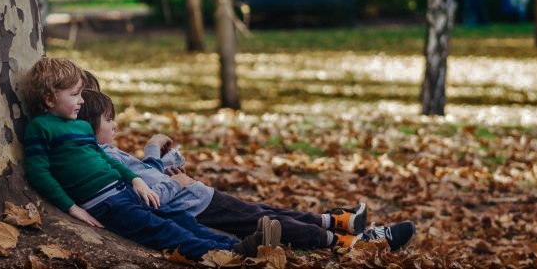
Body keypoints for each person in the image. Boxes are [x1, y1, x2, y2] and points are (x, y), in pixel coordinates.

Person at [76, 88, 417, 252]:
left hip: (198, 196)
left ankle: (337, 221)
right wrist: (161, 161)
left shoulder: (104, 151)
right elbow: (150, 191)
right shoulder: (101, 157)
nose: (116, 126)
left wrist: (165, 164)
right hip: (195, 205)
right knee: (268, 223)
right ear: (89, 125)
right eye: (109, 120)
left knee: (267, 211)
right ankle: (353, 243)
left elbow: (150, 177)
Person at [21, 57, 281, 260]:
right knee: (162, 230)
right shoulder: (41, 128)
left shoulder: (80, 126)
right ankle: (226, 255)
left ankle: (239, 245)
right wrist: (71, 207)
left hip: (125, 191)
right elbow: (39, 173)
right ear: (49, 97)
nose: (81, 100)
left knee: (179, 219)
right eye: (74, 94)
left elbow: (107, 159)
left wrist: (135, 180)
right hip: (105, 204)